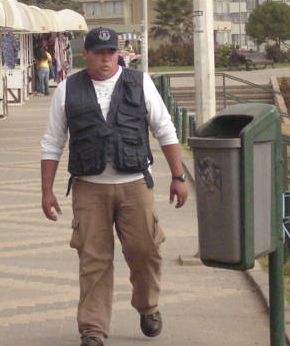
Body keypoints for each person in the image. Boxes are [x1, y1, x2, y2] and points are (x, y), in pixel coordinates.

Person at [39, 27, 188, 346]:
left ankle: (148, 306)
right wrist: (47, 190)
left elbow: (165, 130)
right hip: (89, 187)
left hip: (135, 184)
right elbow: (52, 142)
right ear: (86, 55)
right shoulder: (67, 89)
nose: (107, 59)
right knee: (93, 258)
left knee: (145, 251)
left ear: (118, 54)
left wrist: (178, 177)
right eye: (100, 53)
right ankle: (92, 329)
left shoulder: (140, 82)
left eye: (111, 52)